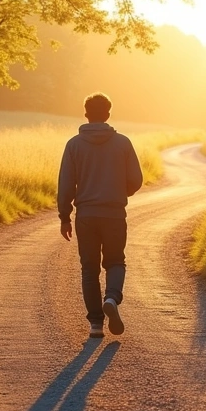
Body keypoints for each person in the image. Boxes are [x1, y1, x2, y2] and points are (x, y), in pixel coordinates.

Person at [57, 92, 144, 338]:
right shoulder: (123, 143)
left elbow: (66, 185)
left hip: (86, 216)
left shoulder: (73, 145)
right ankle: (112, 299)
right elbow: (136, 180)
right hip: (114, 214)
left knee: (89, 268)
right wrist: (120, 192)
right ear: (108, 114)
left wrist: (65, 216)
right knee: (115, 261)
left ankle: (96, 324)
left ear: (86, 114)